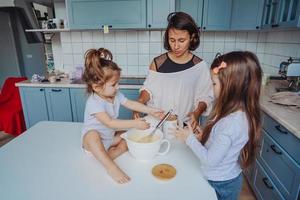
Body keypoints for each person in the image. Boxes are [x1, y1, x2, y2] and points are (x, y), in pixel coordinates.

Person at [172, 51, 262, 200]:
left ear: (231, 85)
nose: (212, 87)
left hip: (221, 183)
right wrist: (203, 139)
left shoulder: (231, 123)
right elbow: (222, 145)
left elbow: (210, 160)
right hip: (225, 177)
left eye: (214, 83)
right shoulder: (236, 114)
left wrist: (189, 139)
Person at [81, 48, 163, 184]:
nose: (118, 87)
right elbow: (110, 123)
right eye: (114, 84)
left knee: (128, 136)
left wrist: (151, 110)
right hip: (92, 144)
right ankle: (110, 167)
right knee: (91, 135)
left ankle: (108, 155)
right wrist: (135, 123)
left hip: (108, 140)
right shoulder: (94, 102)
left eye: (118, 83)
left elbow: (131, 103)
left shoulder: (115, 95)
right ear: (96, 87)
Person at [133, 12, 214, 130]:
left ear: (191, 38)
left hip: (185, 126)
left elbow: (205, 96)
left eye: (181, 40)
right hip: (156, 124)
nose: (175, 46)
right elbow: (148, 90)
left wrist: (196, 113)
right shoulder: (158, 63)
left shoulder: (200, 67)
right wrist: (140, 101)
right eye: (172, 40)